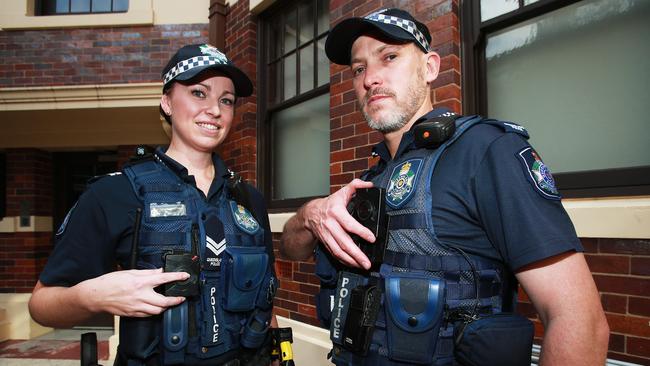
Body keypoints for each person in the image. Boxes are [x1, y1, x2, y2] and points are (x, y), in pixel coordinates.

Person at [280, 8, 609, 366]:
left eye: (389, 57)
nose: (370, 78)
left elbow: (581, 322)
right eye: (359, 69)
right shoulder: (371, 179)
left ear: (430, 68)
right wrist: (312, 213)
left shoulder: (486, 152)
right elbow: (291, 250)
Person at [29, 44, 278, 366]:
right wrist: (93, 295)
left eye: (226, 100)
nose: (215, 110)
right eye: (199, 93)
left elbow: (265, 295)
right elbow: (41, 305)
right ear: (166, 102)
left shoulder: (248, 198)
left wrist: (275, 353)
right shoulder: (115, 193)